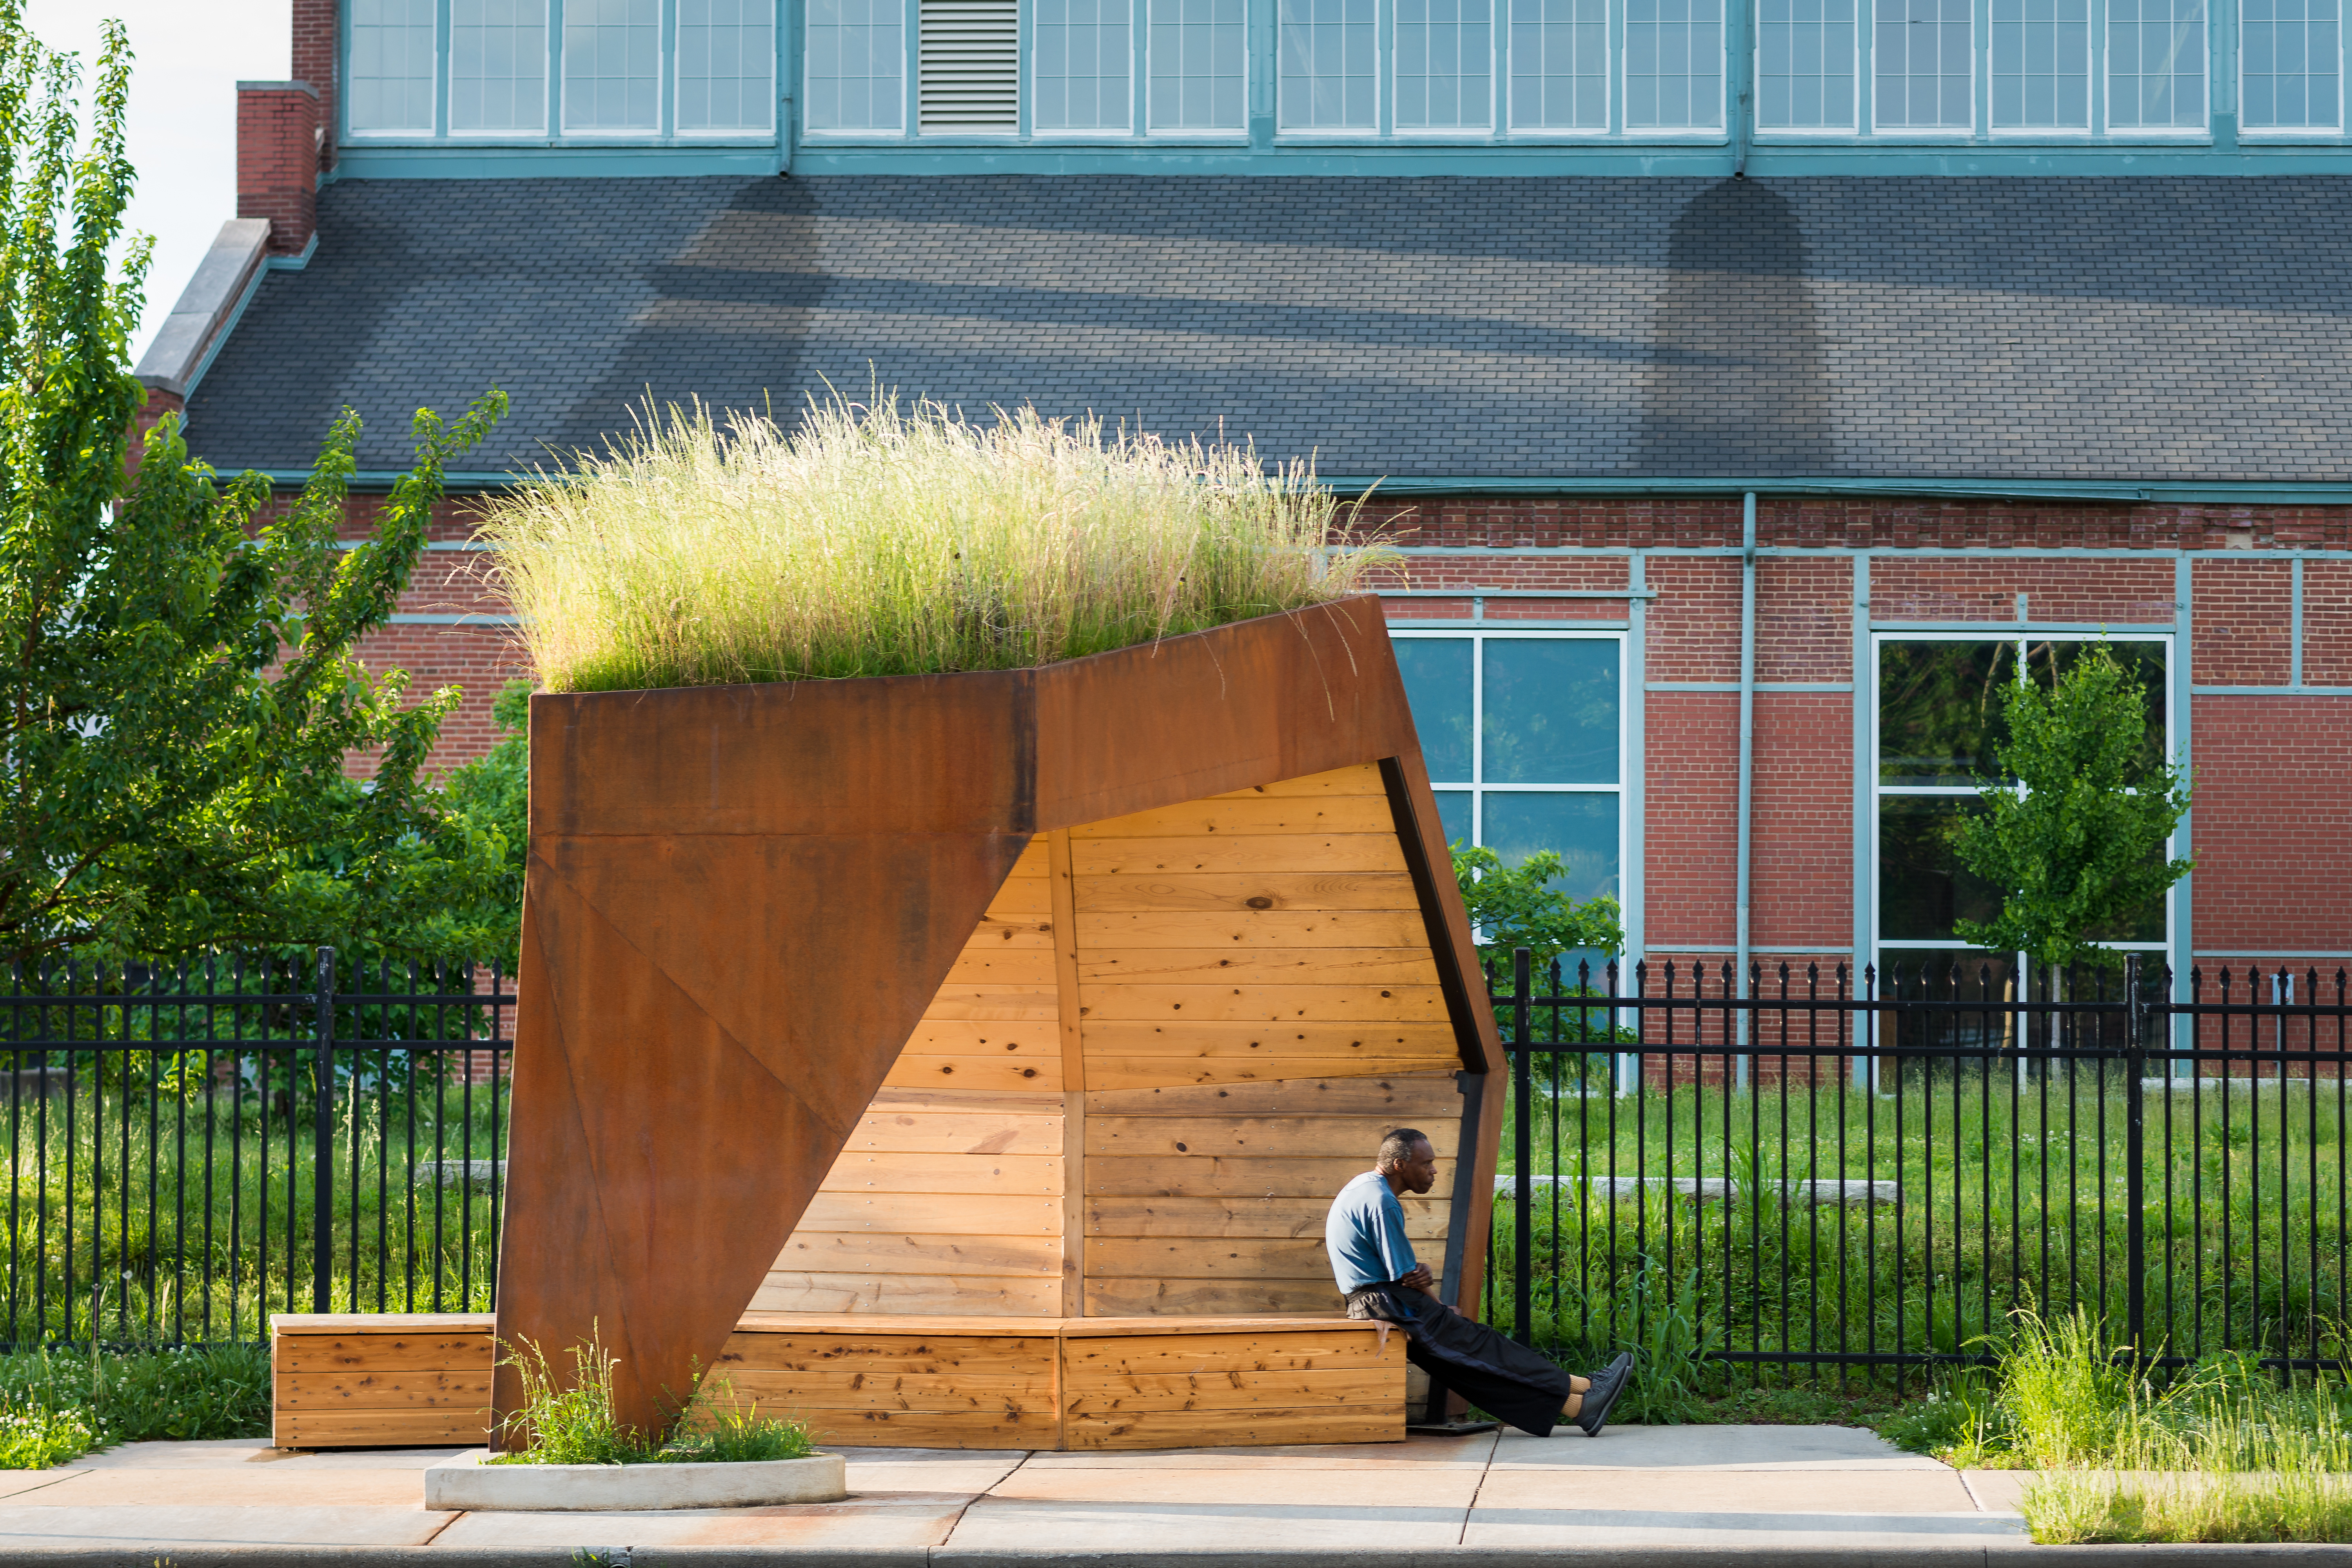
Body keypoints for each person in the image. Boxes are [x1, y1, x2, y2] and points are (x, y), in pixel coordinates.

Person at [1327, 1127, 1633, 1438]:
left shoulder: (1364, 1186)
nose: (1433, 1171)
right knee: (1482, 1345)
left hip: (1371, 1301)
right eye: (1427, 1163)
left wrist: (1429, 1291)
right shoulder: (1383, 1201)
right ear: (1399, 1165)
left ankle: (1579, 1407)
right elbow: (1409, 1275)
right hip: (1386, 1301)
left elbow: (1408, 1273)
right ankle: (1585, 1386)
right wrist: (1440, 1306)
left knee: (1463, 1370)